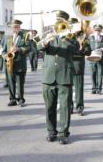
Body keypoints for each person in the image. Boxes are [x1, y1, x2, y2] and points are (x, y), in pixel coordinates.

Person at [37, 10, 79, 144]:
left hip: (64, 76)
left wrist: (64, 36)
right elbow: (38, 47)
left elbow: (75, 49)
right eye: (57, 21)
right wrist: (46, 41)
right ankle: (51, 131)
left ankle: (63, 133)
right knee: (49, 107)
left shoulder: (71, 38)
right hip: (48, 76)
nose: (58, 24)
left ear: (66, 23)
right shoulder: (49, 36)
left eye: (61, 22)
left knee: (65, 107)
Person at [3, 19, 30, 107]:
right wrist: (5, 57)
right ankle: (12, 99)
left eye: (16, 27)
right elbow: (3, 50)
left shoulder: (25, 36)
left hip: (20, 63)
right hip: (10, 62)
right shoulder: (7, 36)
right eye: (13, 27)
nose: (15, 29)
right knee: (11, 82)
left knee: (20, 82)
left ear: (19, 27)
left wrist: (18, 49)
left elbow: (29, 48)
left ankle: (21, 99)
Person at [69, 18, 91, 116]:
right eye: (70, 24)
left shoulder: (83, 36)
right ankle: (69, 107)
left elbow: (88, 51)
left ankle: (79, 108)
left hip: (78, 66)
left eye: (73, 24)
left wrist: (81, 50)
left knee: (79, 89)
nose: (72, 26)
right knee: (67, 89)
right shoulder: (66, 36)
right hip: (67, 66)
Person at [89, 24, 103, 94]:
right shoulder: (90, 38)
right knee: (93, 73)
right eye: (96, 30)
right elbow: (87, 47)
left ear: (100, 31)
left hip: (100, 58)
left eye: (99, 30)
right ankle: (94, 88)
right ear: (94, 31)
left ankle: (99, 89)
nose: (97, 31)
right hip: (92, 58)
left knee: (100, 74)